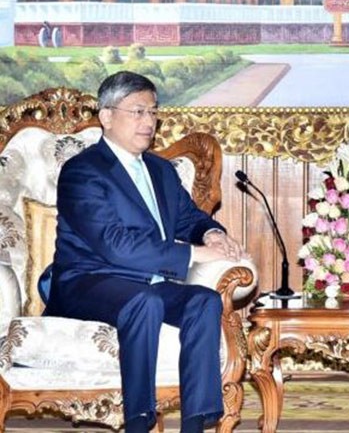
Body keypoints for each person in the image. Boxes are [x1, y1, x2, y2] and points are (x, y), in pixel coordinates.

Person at [43, 71, 245, 433]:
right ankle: (139, 420)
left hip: (146, 283)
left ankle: (196, 423)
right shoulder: (82, 171)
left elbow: (188, 218)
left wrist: (211, 233)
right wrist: (193, 255)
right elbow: (114, 244)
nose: (148, 121)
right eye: (137, 111)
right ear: (107, 116)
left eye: (153, 112)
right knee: (144, 302)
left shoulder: (160, 169)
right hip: (87, 282)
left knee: (204, 301)